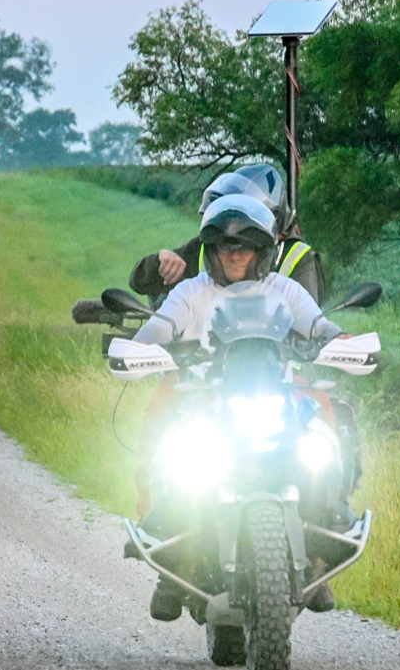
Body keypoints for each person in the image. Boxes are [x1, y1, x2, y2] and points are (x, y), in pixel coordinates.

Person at [130, 194, 344, 620]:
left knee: (322, 407)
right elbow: (158, 329)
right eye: (225, 246)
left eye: (244, 246)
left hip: (274, 388)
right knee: (163, 426)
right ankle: (169, 557)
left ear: (263, 251)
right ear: (211, 250)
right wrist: (137, 350)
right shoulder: (191, 291)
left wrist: (343, 345)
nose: (234, 255)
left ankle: (324, 535)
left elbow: (321, 327)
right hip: (203, 392)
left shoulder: (285, 290)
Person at [127, 166, 325, 307]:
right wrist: (159, 262)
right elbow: (138, 282)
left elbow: (309, 322)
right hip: (206, 361)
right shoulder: (207, 247)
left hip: (276, 363)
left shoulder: (298, 257)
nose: (234, 251)